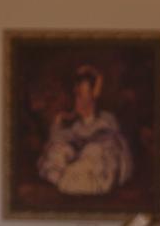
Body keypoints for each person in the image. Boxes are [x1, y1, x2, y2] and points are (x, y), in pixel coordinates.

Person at [36, 64, 133, 196]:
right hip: (75, 165)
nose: (77, 101)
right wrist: (57, 124)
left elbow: (108, 146)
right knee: (58, 150)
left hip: (98, 164)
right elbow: (54, 149)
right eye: (76, 95)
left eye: (81, 95)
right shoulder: (73, 125)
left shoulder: (106, 121)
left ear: (93, 95)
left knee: (94, 152)